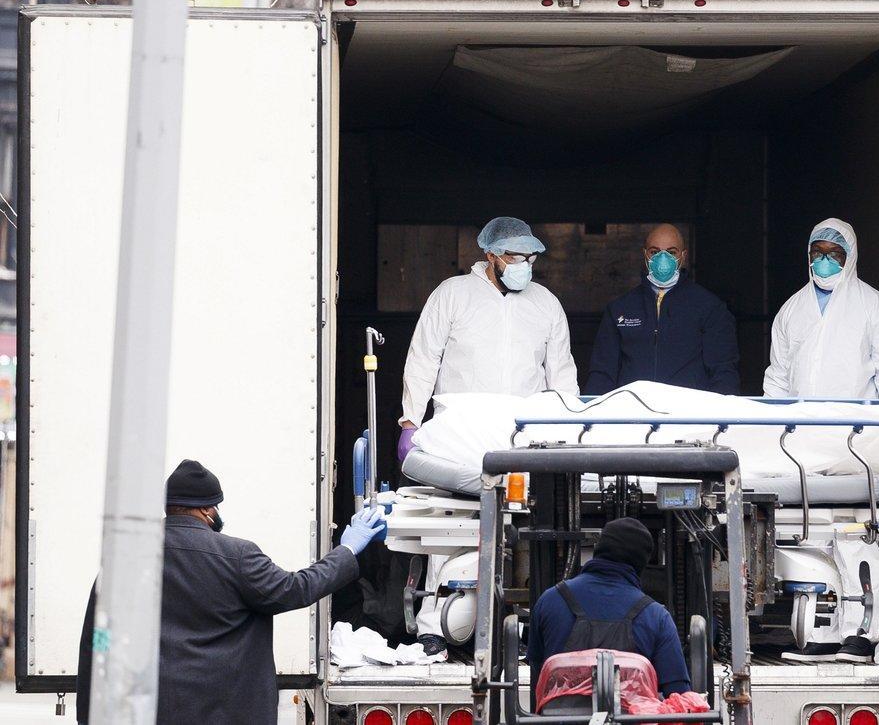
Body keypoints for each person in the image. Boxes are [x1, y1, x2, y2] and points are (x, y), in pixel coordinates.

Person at [77, 459, 384, 724]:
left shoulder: (124, 562)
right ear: (208, 509)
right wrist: (347, 549)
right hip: (227, 712)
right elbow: (296, 589)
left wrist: (87, 716)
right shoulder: (238, 556)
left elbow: (97, 641)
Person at [397, 216, 578, 655]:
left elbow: (562, 373)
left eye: (531, 257)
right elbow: (423, 359)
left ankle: (528, 627)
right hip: (460, 432)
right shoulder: (452, 295)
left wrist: (571, 429)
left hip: (524, 436)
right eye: (516, 256)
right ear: (490, 255)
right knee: (451, 526)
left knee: (530, 529)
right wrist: (409, 421)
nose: (525, 265)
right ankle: (434, 628)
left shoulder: (545, 304)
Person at [526, 518, 689, 708]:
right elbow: (678, 697)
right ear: (641, 563)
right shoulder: (656, 616)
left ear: (598, 549)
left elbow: (539, 678)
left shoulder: (550, 600)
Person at [762, 217, 879, 403]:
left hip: (857, 426)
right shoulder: (790, 310)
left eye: (834, 254)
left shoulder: (875, 306)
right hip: (801, 425)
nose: (824, 260)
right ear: (808, 255)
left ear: (850, 256)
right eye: (817, 252)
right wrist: (772, 426)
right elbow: (778, 379)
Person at [585, 224, 739, 395]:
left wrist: (721, 419)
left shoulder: (710, 308)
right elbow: (602, 373)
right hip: (632, 414)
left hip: (689, 416)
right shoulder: (620, 309)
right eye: (654, 251)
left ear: (683, 256)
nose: (662, 258)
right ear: (645, 255)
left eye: (671, 252)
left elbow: (723, 373)